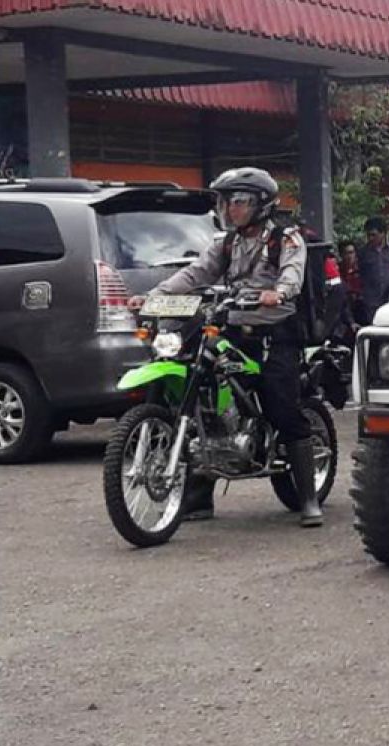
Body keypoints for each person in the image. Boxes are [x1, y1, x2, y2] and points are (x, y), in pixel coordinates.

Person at [127, 167, 324, 527]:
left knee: (282, 408)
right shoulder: (226, 242)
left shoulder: (286, 238)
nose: (230, 209)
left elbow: (293, 277)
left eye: (238, 201)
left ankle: (308, 498)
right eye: (226, 202)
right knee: (199, 388)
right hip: (234, 328)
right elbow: (195, 274)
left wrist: (277, 292)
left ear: (260, 204)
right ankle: (199, 498)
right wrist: (153, 295)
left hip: (274, 333)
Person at [358, 216, 389, 324]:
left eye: (374, 235)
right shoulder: (363, 252)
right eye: (368, 235)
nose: (370, 238)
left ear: (383, 233)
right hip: (372, 299)